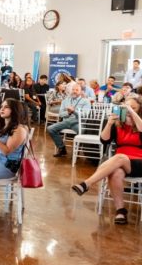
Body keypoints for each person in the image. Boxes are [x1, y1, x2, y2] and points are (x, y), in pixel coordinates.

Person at [71, 96, 142, 224]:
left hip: (139, 162)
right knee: (115, 173)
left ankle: (87, 183)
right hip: (120, 162)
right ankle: (121, 211)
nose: (128, 110)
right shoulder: (117, 124)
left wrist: (131, 112)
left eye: (133, 108)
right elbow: (104, 140)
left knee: (119, 158)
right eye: (126, 107)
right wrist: (109, 123)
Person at [47, 82, 90, 157]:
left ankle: (77, 151)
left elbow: (85, 116)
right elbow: (61, 114)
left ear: (81, 92)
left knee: (82, 131)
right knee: (50, 128)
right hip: (66, 122)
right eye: (73, 89)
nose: (74, 91)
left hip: (78, 122)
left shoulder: (85, 101)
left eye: (77, 90)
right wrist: (69, 113)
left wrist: (74, 112)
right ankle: (61, 148)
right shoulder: (65, 100)